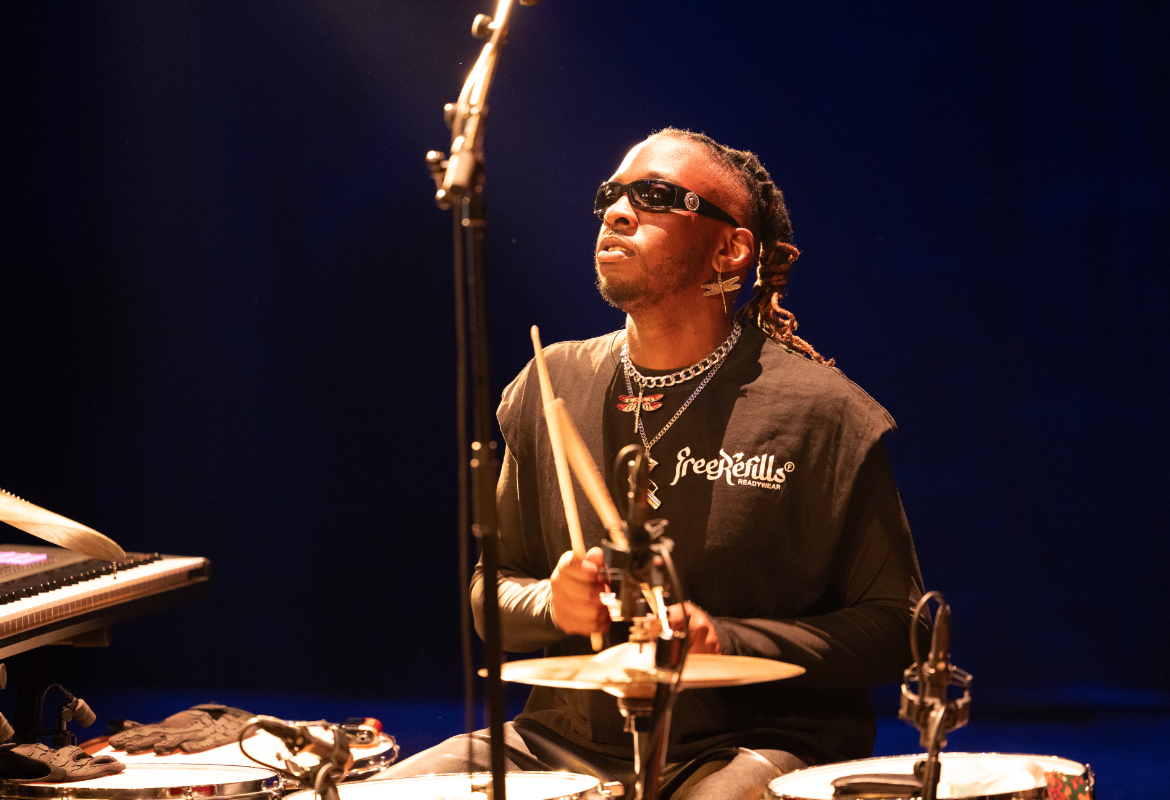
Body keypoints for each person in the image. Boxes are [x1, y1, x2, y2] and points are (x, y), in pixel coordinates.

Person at [377, 128, 926, 800]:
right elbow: (491, 592)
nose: (616, 211)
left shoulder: (822, 413)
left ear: (730, 248)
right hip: (561, 743)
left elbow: (898, 625)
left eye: (656, 197)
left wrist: (729, 639)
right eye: (611, 196)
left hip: (753, 744)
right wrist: (552, 601)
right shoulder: (549, 383)